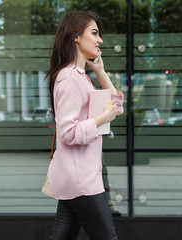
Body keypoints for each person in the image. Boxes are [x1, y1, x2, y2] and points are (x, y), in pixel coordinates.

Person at [47, 11, 124, 239]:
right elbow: (68, 133)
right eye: (94, 33)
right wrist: (102, 118)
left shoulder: (82, 77)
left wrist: (100, 71)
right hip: (82, 181)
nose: (100, 40)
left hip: (78, 177)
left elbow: (116, 106)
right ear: (76, 37)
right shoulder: (70, 79)